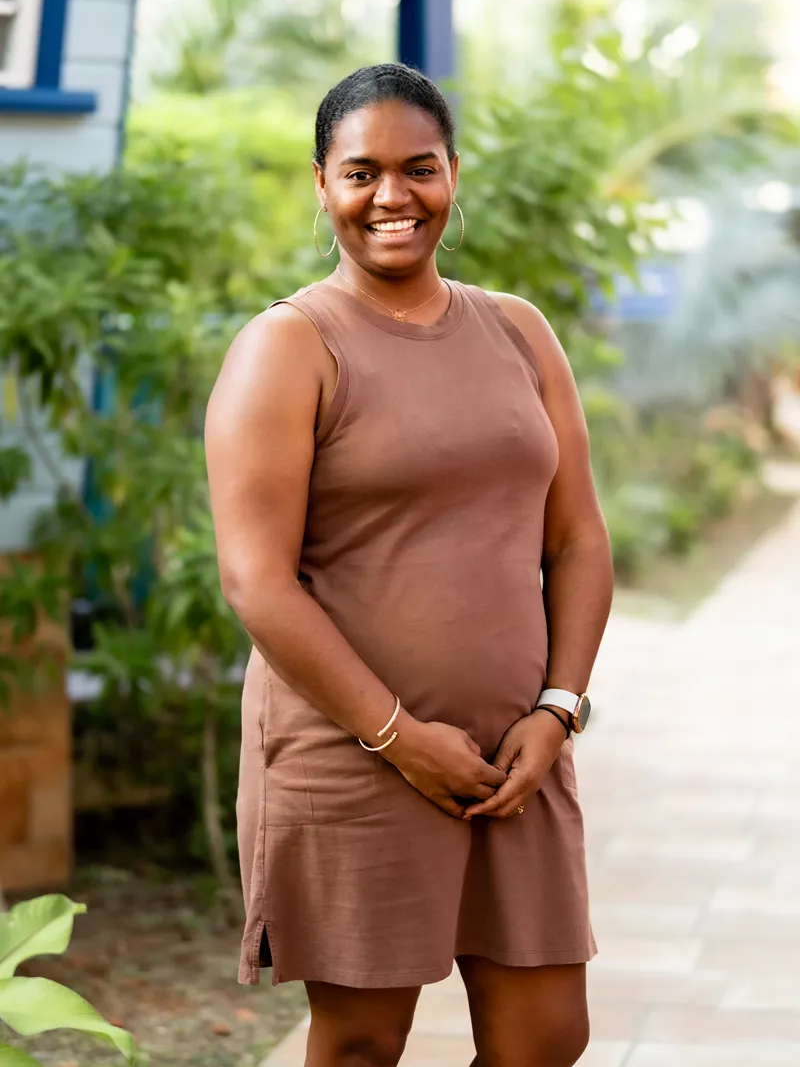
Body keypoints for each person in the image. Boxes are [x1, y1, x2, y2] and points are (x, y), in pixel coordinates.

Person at [205, 62, 613, 1067]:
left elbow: (576, 540)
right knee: (359, 1044)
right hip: (349, 749)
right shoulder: (288, 347)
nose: (391, 197)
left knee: (545, 1037)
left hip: (514, 753)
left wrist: (557, 708)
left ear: (451, 173)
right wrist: (396, 734)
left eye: (416, 168)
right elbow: (256, 581)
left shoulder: (517, 330)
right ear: (322, 184)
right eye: (361, 173)